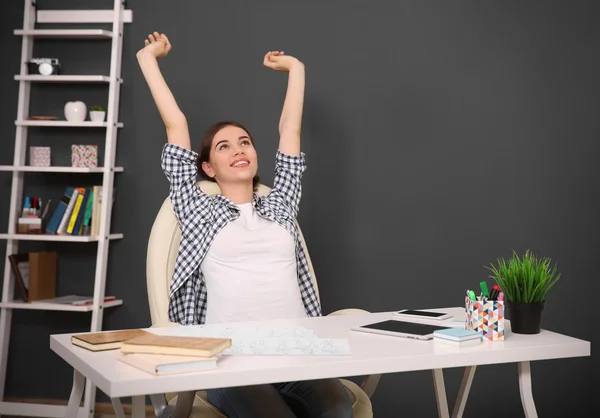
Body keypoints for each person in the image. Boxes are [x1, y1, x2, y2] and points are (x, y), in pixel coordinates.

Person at [137, 32, 353, 418]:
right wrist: (148, 59)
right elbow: (176, 125)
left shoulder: (280, 204)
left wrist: (296, 70)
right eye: (224, 146)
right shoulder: (197, 207)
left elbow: (290, 131)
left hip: (297, 350)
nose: (239, 149)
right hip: (233, 359)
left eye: (245, 142)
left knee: (338, 409)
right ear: (207, 168)